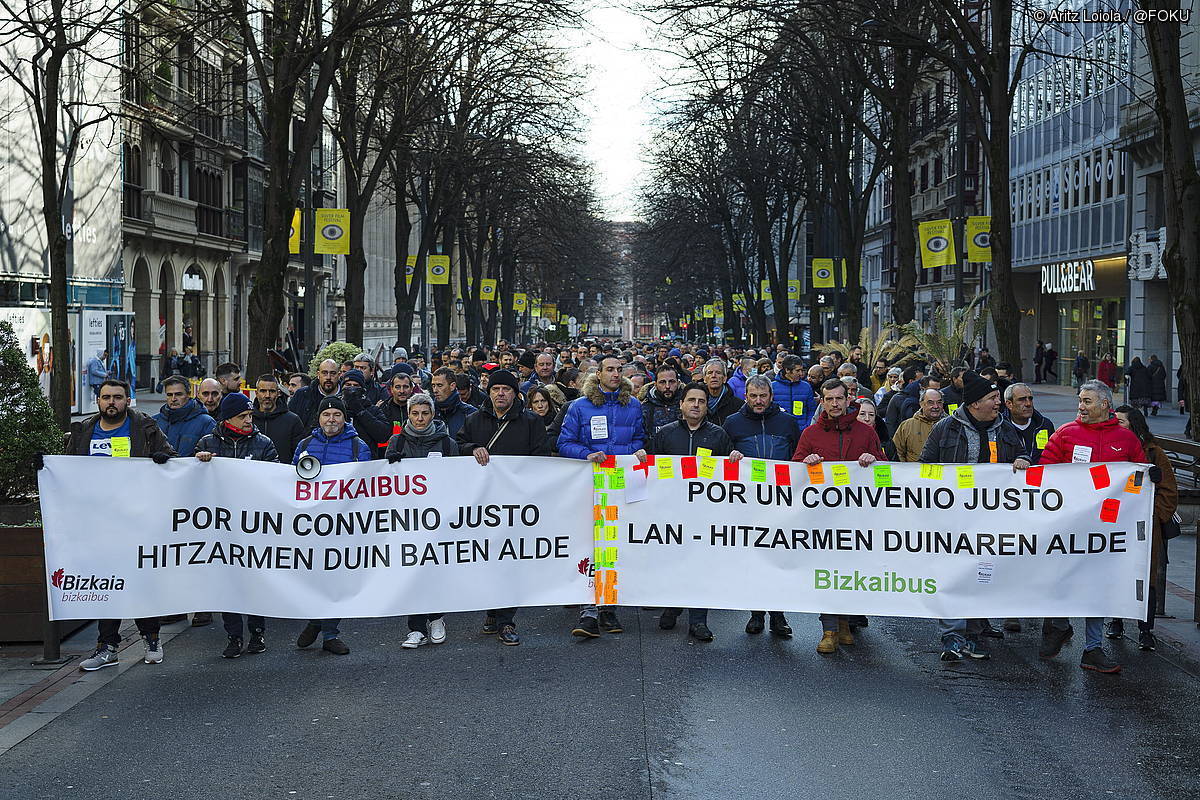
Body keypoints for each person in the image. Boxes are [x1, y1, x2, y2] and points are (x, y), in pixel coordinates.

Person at [1038, 380, 1148, 674]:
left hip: (1108, 530)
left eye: (1087, 401)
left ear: (1104, 405)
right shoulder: (1065, 434)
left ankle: (1093, 649)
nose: (1080, 407)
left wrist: (1150, 478)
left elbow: (1139, 476)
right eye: (1080, 401)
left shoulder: (1126, 439)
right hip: (1069, 525)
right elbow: (1044, 472)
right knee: (1063, 579)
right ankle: (1059, 626)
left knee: (1097, 587)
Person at [919, 372, 1031, 659]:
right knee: (954, 574)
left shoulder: (1006, 430)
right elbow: (925, 467)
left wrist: (1023, 460)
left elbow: (1023, 455)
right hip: (952, 519)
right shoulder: (946, 428)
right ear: (974, 404)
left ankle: (973, 631)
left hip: (991, 521)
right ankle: (952, 636)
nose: (998, 403)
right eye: (993, 398)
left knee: (980, 574)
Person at [68, 379, 175, 670]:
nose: (111, 402)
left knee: (141, 580)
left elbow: (173, 461)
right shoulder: (83, 431)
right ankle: (107, 646)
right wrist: (45, 466)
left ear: (128, 400)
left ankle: (151, 638)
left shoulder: (145, 427)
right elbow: (66, 469)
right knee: (108, 583)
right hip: (99, 522)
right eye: (106, 397)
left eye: (117, 397)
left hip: (138, 519)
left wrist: (163, 460)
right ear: (98, 401)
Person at [456, 370, 552, 646]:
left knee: (510, 561)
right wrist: (473, 448)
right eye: (496, 389)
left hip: (516, 504)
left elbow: (541, 456)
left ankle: (506, 620)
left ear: (515, 393)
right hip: (483, 504)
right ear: (490, 391)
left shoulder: (531, 422)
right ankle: (492, 610)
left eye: (506, 390)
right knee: (486, 559)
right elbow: (459, 445)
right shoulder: (474, 420)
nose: (500, 393)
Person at [792, 378, 885, 652]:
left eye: (839, 399)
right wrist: (804, 463)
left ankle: (844, 620)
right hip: (821, 517)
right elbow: (794, 470)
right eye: (829, 399)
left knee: (850, 571)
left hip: (857, 516)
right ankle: (829, 628)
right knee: (825, 570)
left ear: (848, 401)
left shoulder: (865, 433)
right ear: (822, 401)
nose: (834, 404)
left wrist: (874, 461)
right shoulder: (810, 434)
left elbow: (885, 473)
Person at [558, 353, 646, 638]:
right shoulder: (580, 407)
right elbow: (564, 442)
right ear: (598, 373)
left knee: (613, 544)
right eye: (610, 369)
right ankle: (588, 610)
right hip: (589, 484)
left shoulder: (633, 406)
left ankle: (609, 608)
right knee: (588, 546)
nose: (615, 374)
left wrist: (635, 454)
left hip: (619, 484)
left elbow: (638, 440)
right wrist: (587, 454)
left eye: (620, 370)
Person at [651, 382, 743, 642]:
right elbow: (652, 470)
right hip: (672, 512)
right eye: (691, 400)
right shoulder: (666, 434)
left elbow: (732, 475)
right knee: (673, 562)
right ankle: (673, 604)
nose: (696, 405)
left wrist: (736, 457)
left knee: (700, 565)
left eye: (701, 401)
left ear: (706, 406)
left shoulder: (718, 435)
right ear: (681, 404)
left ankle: (698, 621)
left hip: (705, 514)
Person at [193, 392, 279, 658]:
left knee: (253, 582)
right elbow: (190, 477)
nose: (248, 420)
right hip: (221, 528)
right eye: (242, 416)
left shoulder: (263, 443)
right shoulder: (208, 442)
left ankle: (257, 633)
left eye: (250, 415)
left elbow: (275, 477)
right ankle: (233, 636)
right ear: (228, 417)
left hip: (253, 525)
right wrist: (200, 461)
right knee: (227, 583)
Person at [292, 396, 372, 656]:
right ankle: (317, 620)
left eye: (337, 414)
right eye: (326, 415)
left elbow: (365, 487)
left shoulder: (359, 447)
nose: (331, 420)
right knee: (313, 579)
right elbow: (292, 482)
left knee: (336, 581)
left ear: (344, 418)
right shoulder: (305, 445)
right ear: (319, 418)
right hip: (311, 525)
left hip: (343, 525)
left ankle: (328, 632)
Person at [381, 393, 458, 649]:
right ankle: (415, 627)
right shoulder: (397, 441)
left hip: (438, 517)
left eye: (425, 413)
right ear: (408, 415)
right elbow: (384, 480)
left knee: (435, 569)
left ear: (432, 415)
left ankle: (436, 618)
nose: (420, 418)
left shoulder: (447, 443)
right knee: (411, 571)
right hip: (407, 518)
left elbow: (459, 478)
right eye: (415, 413)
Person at [1106, 406, 1178, 651]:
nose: (1116, 425)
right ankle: (1116, 621)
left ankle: (1146, 630)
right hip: (1115, 522)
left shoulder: (1154, 453)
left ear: (1134, 425)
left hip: (1144, 527)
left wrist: (1154, 515)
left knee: (1146, 577)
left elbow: (1168, 490)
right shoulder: (1110, 448)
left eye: (1121, 422)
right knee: (1116, 572)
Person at [153, 375, 215, 458]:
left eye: (178, 394)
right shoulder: (154, 421)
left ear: (189, 394)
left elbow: (213, 454)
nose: (173, 399)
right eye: (169, 395)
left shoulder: (206, 422)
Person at [252, 373, 306, 465]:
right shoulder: (247, 420)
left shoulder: (292, 421)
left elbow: (300, 455)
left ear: (278, 393)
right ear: (256, 393)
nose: (267, 395)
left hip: (283, 476)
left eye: (272, 391)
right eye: (263, 391)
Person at [1003, 382, 1055, 465]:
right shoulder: (1001, 428)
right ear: (1009, 404)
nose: (1028, 404)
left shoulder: (1044, 425)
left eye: (1030, 399)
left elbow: (1054, 455)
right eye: (1022, 399)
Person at [892, 388, 944, 462]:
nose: (936, 406)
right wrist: (905, 469)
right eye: (930, 403)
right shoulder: (907, 425)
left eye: (939, 402)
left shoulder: (951, 425)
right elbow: (897, 452)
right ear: (921, 404)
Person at [289, 359, 342, 429]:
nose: (328, 377)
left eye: (332, 373)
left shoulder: (346, 396)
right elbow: (290, 423)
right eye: (324, 373)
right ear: (318, 374)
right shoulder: (302, 395)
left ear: (339, 375)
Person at [770, 355, 815, 434]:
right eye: (797, 371)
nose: (801, 373)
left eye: (802, 370)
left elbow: (811, 410)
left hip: (801, 432)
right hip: (779, 432)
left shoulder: (806, 387)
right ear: (787, 370)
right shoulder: (772, 387)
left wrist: (807, 427)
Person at [429, 367, 476, 436]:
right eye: (433, 386)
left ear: (452, 386)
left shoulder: (470, 413)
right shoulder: (428, 412)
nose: (435, 390)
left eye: (440, 385)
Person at [641, 363, 682, 439]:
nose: (667, 386)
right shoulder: (646, 407)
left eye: (671, 382)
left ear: (678, 383)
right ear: (655, 384)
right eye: (662, 382)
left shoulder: (686, 405)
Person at [700, 358, 741, 425]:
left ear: (724, 378)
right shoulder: (697, 402)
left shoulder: (737, 405)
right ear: (704, 378)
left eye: (718, 373)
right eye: (710, 373)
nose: (713, 376)